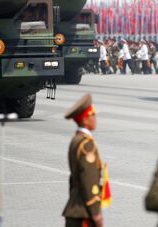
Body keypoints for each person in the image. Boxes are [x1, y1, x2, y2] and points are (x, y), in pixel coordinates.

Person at [63, 93, 104, 227]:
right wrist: (95, 212)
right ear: (85, 119)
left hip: (74, 208)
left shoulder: (76, 139)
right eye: (92, 115)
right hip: (83, 212)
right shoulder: (87, 144)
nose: (95, 119)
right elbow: (89, 179)